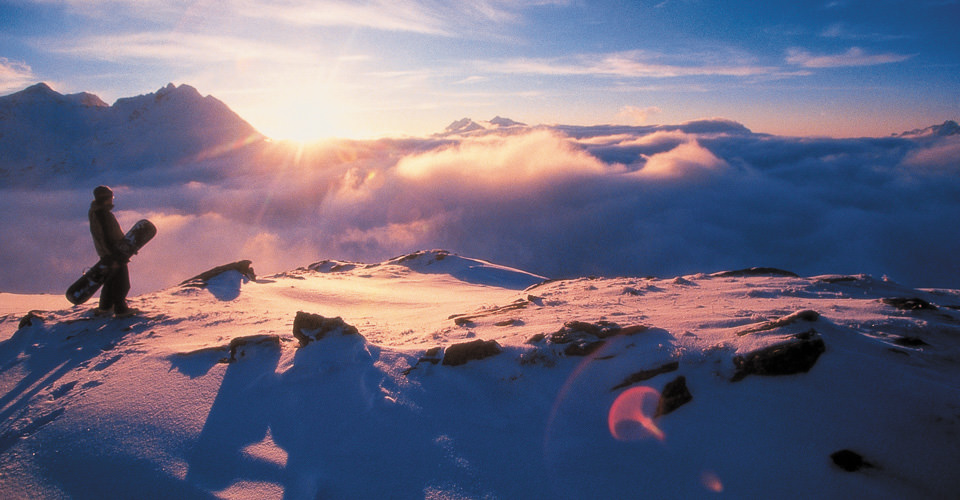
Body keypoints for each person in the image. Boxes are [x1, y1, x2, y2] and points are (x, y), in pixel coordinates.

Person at [88, 185, 138, 317]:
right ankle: (121, 309)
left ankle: (105, 307)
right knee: (122, 283)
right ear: (106, 198)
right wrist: (115, 256)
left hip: (108, 253)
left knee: (110, 281)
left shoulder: (97, 212)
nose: (112, 200)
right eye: (111, 197)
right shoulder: (102, 214)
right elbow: (107, 237)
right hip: (113, 253)